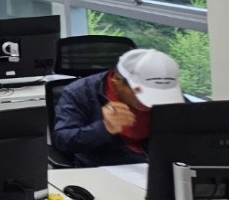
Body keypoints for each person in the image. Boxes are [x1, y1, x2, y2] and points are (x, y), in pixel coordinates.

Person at [53, 48, 182, 167]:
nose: (151, 103)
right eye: (144, 94)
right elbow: (63, 141)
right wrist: (103, 128)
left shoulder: (174, 99)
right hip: (102, 170)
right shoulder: (80, 92)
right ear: (117, 79)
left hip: (157, 169)